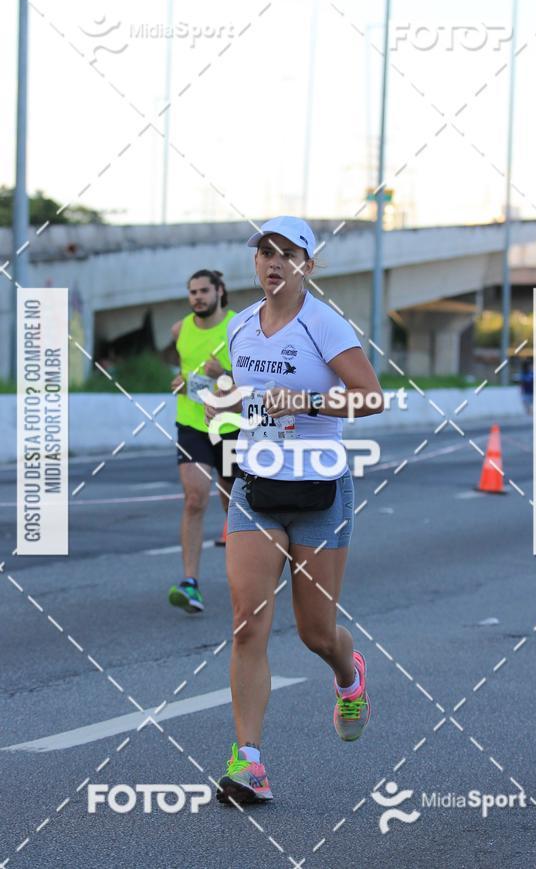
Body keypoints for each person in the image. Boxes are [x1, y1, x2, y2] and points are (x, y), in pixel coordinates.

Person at [206, 216, 384, 804]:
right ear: (255, 263)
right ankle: (248, 762)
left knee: (313, 631)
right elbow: (244, 392)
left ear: (307, 264)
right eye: (265, 253)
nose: (274, 262)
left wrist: (308, 399)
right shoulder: (238, 328)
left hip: (319, 492)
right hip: (258, 489)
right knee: (246, 621)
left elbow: (372, 397)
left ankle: (348, 675)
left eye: (287, 253)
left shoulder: (325, 324)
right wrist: (225, 402)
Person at [168, 269, 238, 613]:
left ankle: (248, 575)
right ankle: (190, 583)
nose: (197, 297)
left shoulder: (240, 328)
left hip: (230, 425)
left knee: (233, 505)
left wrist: (223, 375)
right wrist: (181, 382)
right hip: (192, 423)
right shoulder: (180, 330)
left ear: (219, 291)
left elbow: (255, 382)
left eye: (204, 291)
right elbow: (185, 372)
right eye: (192, 291)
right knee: (194, 498)